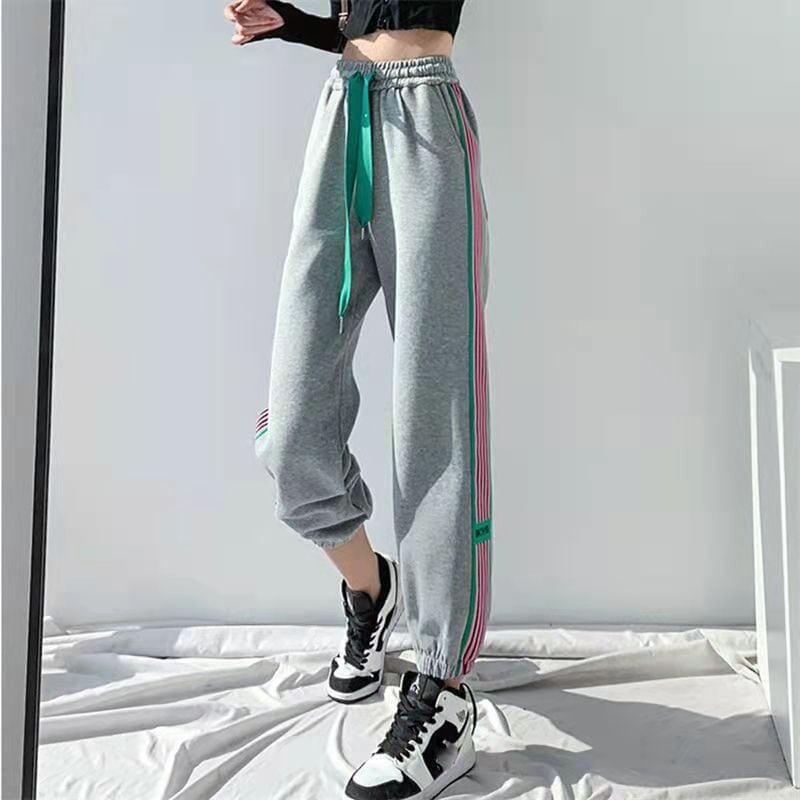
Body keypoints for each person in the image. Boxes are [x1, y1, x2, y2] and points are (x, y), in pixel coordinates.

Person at [224, 2, 492, 797]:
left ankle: (442, 692)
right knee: (291, 431)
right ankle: (371, 586)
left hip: (427, 123)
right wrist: (296, 23)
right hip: (344, 109)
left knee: (436, 416)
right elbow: (359, 20)